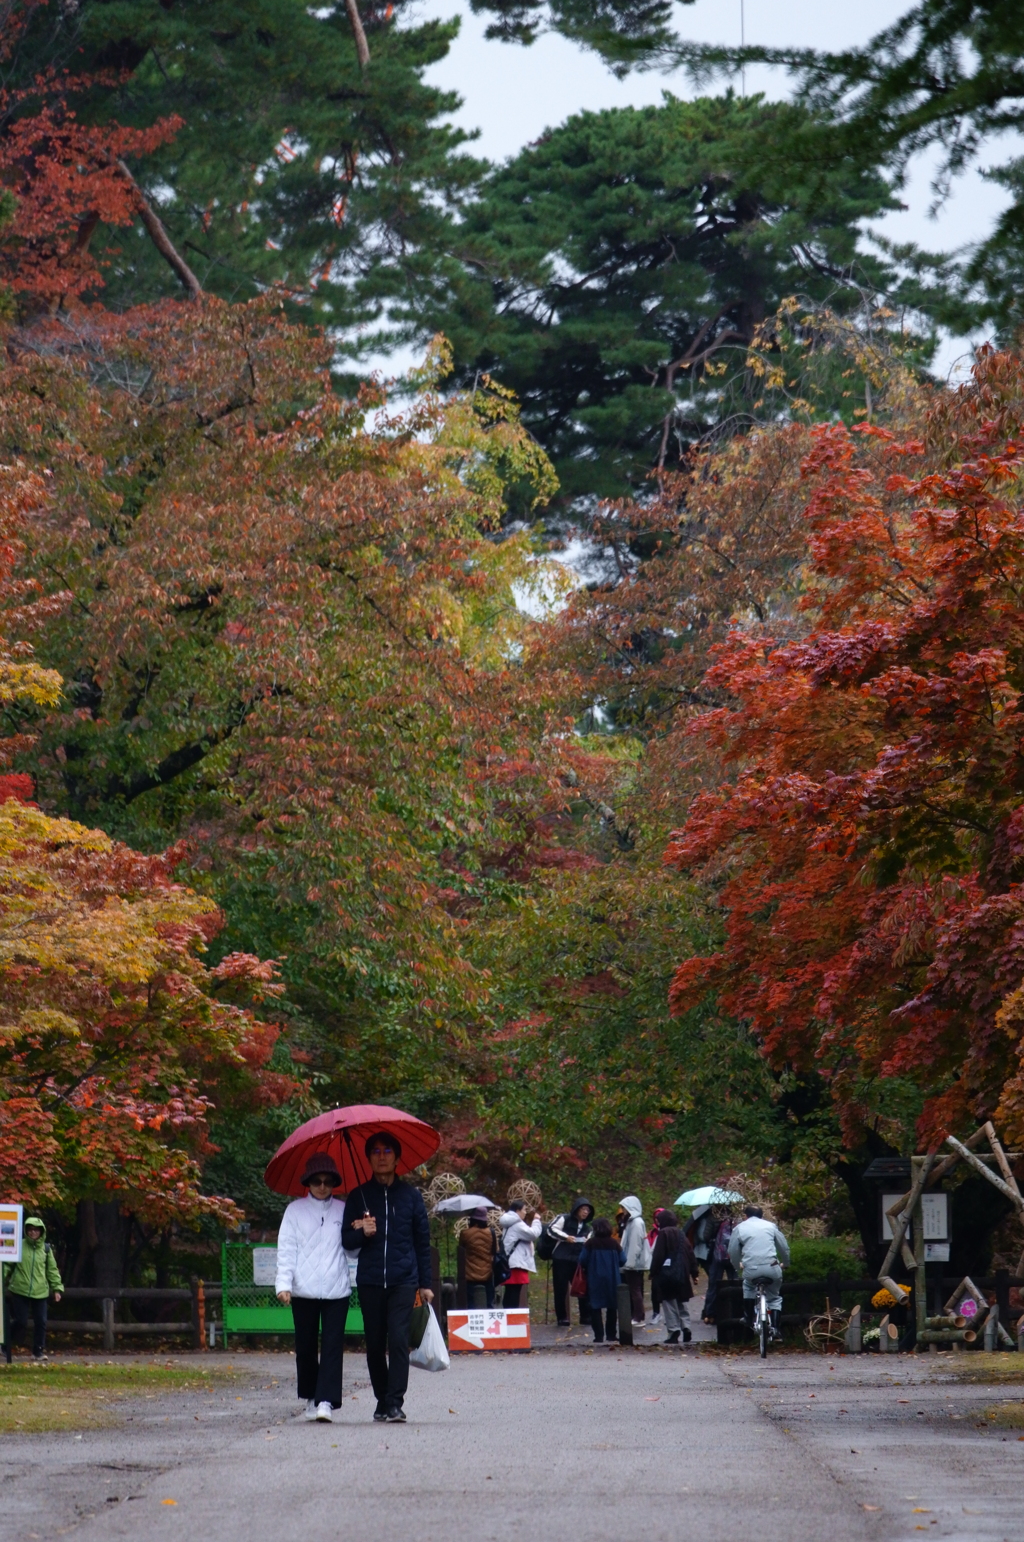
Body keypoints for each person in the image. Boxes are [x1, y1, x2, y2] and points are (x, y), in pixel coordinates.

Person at [342, 1131, 433, 1424]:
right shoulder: (358, 1196)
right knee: (374, 1344)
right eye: (376, 1152)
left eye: (387, 1151)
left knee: (398, 1339)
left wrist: (426, 1284)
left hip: (403, 1279)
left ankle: (395, 1402)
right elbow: (346, 1241)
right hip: (369, 1281)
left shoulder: (411, 1196)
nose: (381, 1156)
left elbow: (422, 1241)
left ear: (396, 1157)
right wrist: (362, 1232)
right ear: (369, 1158)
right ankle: (381, 1399)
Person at [275, 1154, 352, 1423]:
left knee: (332, 1346)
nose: (322, 1186)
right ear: (308, 1182)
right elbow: (286, 1248)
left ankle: (326, 1401)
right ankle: (310, 1395)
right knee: (305, 1345)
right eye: (317, 1181)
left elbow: (352, 1250)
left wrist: (363, 1231)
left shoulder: (344, 1210)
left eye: (328, 1181)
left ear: (334, 1183)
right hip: (303, 1289)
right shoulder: (294, 1211)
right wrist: (283, 1283)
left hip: (337, 1289)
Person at [2, 1216, 63, 1363]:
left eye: (36, 1230)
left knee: (41, 1321)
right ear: (26, 1231)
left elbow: (52, 1270)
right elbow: (7, 1265)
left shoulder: (46, 1249)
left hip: (40, 1290)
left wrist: (57, 1288)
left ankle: (38, 1351)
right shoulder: (19, 1246)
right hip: (19, 1289)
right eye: (30, 1230)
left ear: (41, 1232)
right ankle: (4, 1344)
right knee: (20, 1321)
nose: (33, 1232)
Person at [728, 1204, 790, 1337]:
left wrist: (737, 1265)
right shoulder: (771, 1226)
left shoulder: (739, 1228)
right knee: (774, 1297)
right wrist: (785, 1263)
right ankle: (775, 1327)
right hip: (772, 1267)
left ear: (745, 1216)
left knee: (748, 1286)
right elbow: (784, 1247)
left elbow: (732, 1251)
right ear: (762, 1216)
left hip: (751, 1269)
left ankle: (748, 1318)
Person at [648, 1210, 698, 1344]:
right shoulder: (682, 1234)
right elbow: (690, 1253)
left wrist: (653, 1272)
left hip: (667, 1274)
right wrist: (694, 1272)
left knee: (669, 1302)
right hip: (682, 1273)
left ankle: (673, 1330)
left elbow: (658, 1255)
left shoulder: (663, 1233)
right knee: (682, 1301)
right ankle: (686, 1327)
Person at [577, 1218, 625, 1345]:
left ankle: (598, 1335)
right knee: (612, 1307)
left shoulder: (590, 1244)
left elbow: (582, 1259)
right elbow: (623, 1259)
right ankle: (611, 1334)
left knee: (595, 1307)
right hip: (613, 1278)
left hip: (594, 1278)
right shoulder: (614, 1243)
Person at [549, 1197, 593, 1326]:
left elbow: (590, 1240)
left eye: (588, 1210)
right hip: (561, 1259)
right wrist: (566, 1237)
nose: (585, 1212)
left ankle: (585, 1316)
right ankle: (562, 1317)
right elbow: (551, 1230)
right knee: (560, 1289)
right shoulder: (564, 1219)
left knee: (582, 1288)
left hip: (577, 1260)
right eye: (583, 1209)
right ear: (577, 1209)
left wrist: (586, 1242)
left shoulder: (587, 1228)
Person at [499, 1200, 542, 1308]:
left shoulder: (509, 1223)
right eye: (524, 1210)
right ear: (517, 1210)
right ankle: (512, 1318)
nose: (525, 1212)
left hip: (511, 1261)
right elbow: (533, 1234)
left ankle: (508, 1316)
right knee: (514, 1292)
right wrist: (536, 1220)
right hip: (516, 1262)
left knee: (510, 1291)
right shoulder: (517, 1224)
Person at [617, 1195, 652, 1326]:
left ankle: (638, 1317)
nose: (623, 1211)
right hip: (631, 1262)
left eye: (625, 1208)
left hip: (633, 1263)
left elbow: (635, 1245)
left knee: (635, 1290)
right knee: (634, 1289)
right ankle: (637, 1315)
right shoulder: (631, 1222)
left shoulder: (636, 1223)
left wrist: (629, 1263)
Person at [459, 1206, 497, 1308]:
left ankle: (472, 1322)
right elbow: (495, 1251)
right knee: (489, 1302)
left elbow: (461, 1250)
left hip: (470, 1273)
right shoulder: (491, 1233)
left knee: (471, 1302)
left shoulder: (465, 1233)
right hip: (487, 1272)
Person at [702, 1211, 736, 1324]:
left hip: (718, 1255)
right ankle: (735, 1311)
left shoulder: (713, 1217)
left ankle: (710, 1314)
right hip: (733, 1256)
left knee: (714, 1284)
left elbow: (705, 1236)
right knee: (735, 1283)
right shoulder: (737, 1218)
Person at [647, 1208, 667, 1325]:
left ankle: (669, 1315)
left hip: (667, 1266)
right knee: (654, 1290)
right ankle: (656, 1313)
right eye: (656, 1218)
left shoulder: (669, 1232)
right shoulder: (653, 1233)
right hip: (655, 1265)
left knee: (668, 1292)